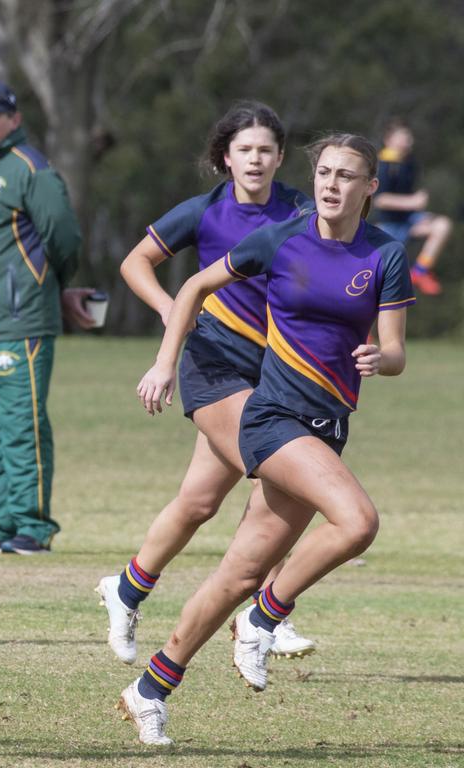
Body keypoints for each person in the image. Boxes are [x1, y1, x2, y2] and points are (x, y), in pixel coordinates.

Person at [119, 134, 413, 746]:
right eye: (324, 173)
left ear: (370, 188)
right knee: (358, 522)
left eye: (346, 176)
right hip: (273, 416)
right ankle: (265, 618)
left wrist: (378, 360)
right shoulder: (283, 236)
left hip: (327, 427)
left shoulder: (385, 255)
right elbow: (196, 286)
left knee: (237, 573)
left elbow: (397, 353)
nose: (331, 184)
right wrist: (166, 360)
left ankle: (148, 689)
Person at [96, 102, 316, 664]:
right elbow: (134, 263)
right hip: (215, 364)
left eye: (266, 150)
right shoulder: (204, 212)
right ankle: (264, 614)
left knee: (197, 503)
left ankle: (125, 589)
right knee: (281, 475)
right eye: (245, 149)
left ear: (280, 157)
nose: (256, 159)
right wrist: (174, 309)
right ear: (225, 157)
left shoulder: (300, 209)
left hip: (276, 370)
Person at [0, 80, 90, 556]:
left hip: (21, 318)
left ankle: (31, 525)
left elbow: (64, 237)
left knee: (22, 422)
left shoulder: (30, 168)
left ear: (14, 119)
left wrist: (54, 288)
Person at [373, 119, 453, 296]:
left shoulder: (410, 163)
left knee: (442, 225)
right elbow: (380, 200)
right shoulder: (383, 164)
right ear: (389, 139)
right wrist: (413, 202)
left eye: (409, 137)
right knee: (377, 278)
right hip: (387, 226)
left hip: (409, 220)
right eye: (403, 136)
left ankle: (420, 271)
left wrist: (418, 207)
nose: (409, 141)